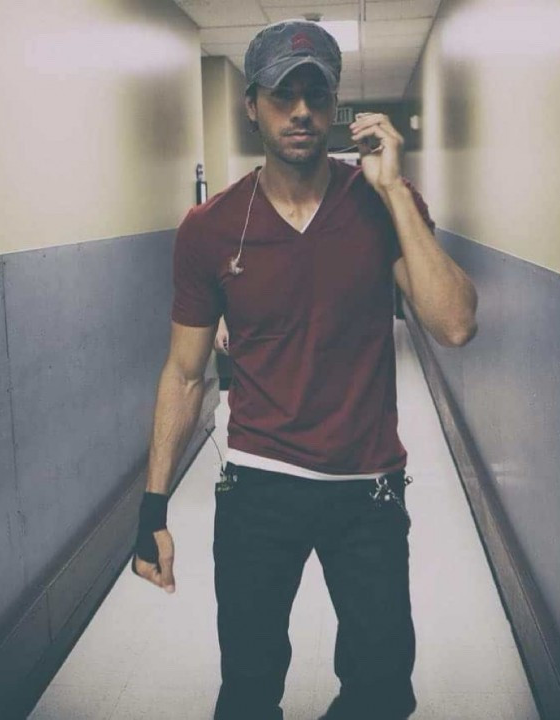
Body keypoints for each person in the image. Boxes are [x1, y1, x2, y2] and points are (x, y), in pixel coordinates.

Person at [132, 19, 478, 720]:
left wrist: (394, 192)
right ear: (251, 106)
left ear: (336, 106)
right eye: (281, 95)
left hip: (367, 486)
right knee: (249, 690)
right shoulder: (210, 228)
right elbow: (185, 373)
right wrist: (153, 508)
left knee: (383, 692)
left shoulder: (381, 205)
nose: (300, 112)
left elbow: (454, 324)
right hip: (258, 485)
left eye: (316, 95)